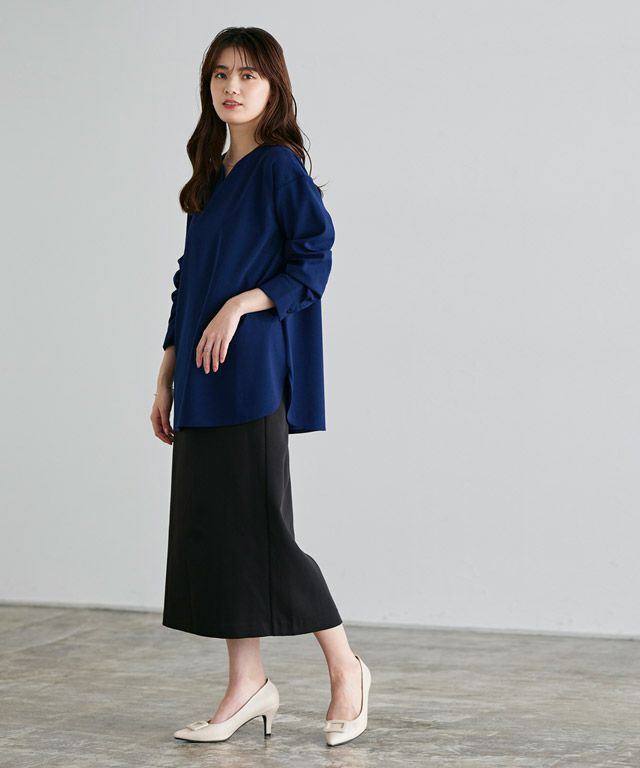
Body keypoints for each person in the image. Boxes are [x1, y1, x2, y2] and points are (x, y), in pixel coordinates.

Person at [149, 27, 371, 747]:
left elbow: (315, 255)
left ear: (273, 87)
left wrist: (243, 303)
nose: (232, 87)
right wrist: (167, 369)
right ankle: (247, 683)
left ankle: (346, 668)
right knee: (216, 531)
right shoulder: (210, 175)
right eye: (220, 74)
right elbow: (189, 280)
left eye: (248, 75)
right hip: (201, 376)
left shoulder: (278, 167)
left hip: (251, 373)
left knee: (263, 531)